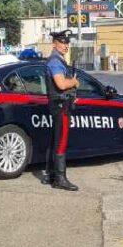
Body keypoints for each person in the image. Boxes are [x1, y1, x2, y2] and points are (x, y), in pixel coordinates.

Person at [43, 30, 80, 191]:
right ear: (54, 44)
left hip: (61, 103)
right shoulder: (55, 61)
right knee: (61, 141)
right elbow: (61, 84)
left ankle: (51, 175)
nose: (66, 46)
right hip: (60, 106)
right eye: (62, 42)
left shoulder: (58, 60)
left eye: (67, 43)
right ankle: (60, 179)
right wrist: (74, 82)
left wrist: (72, 94)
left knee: (56, 140)